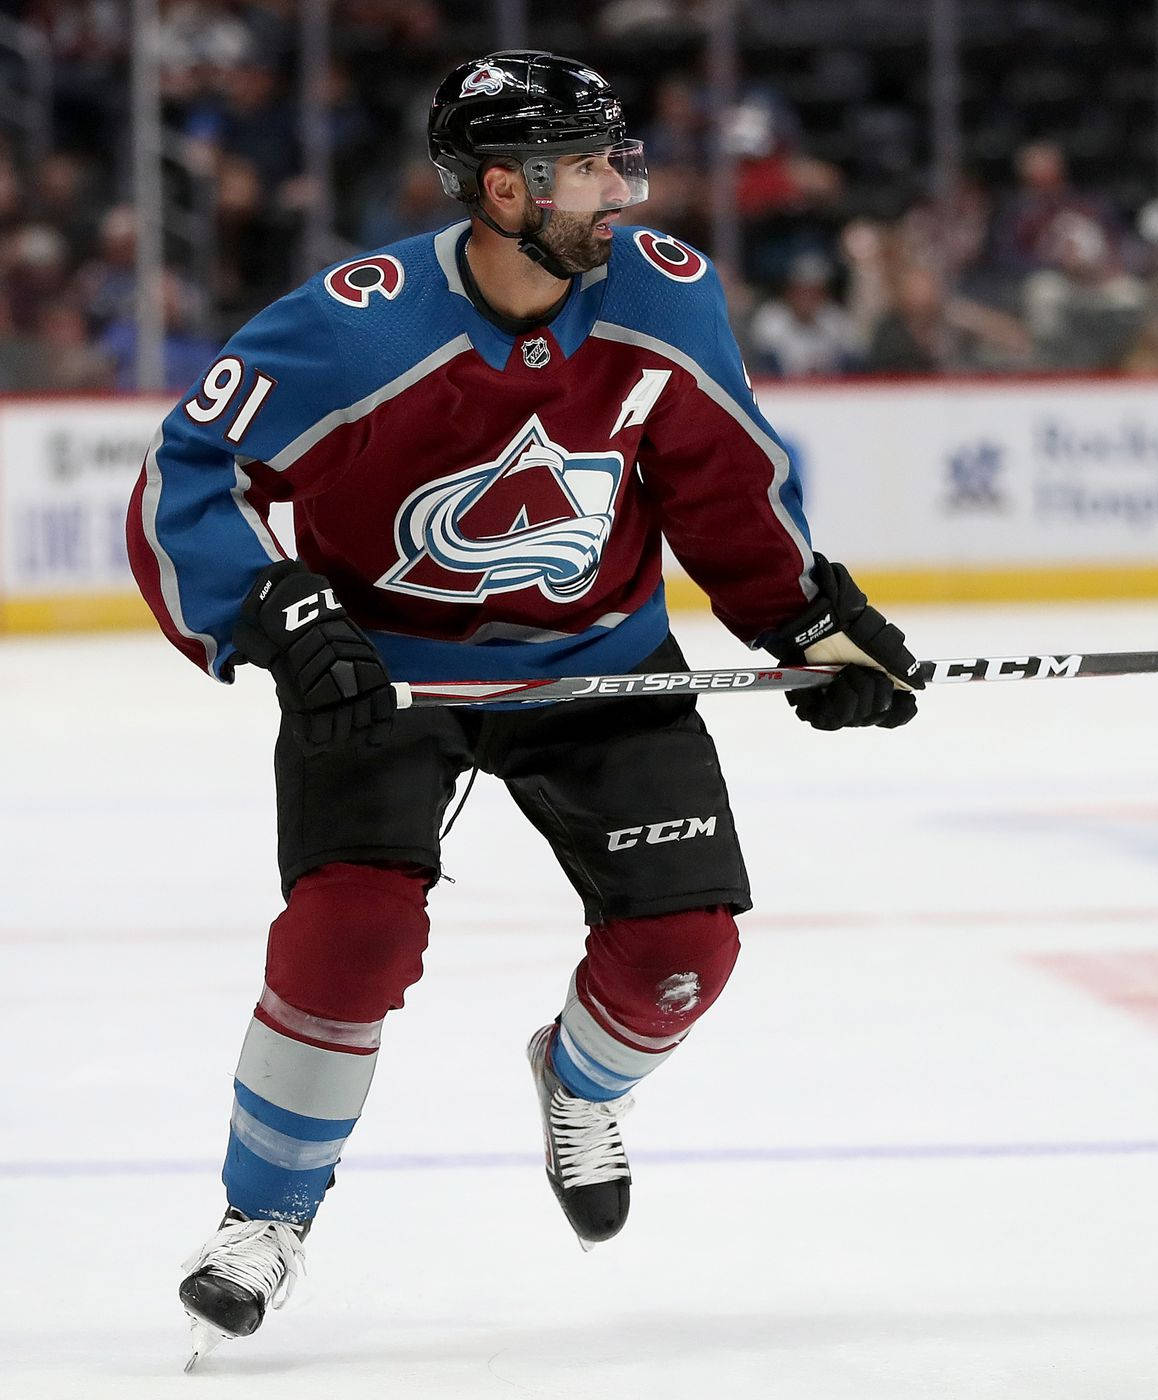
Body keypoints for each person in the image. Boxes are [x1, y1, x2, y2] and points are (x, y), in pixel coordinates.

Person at [125, 50, 923, 1371]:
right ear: (507, 188)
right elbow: (184, 479)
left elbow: (722, 474)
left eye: (624, 158)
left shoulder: (662, 299)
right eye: (596, 165)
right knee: (349, 936)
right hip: (389, 667)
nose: (628, 187)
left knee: (686, 951)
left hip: (597, 658)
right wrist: (277, 612)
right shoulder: (354, 322)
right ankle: (259, 1222)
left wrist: (801, 620)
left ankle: (578, 1082)